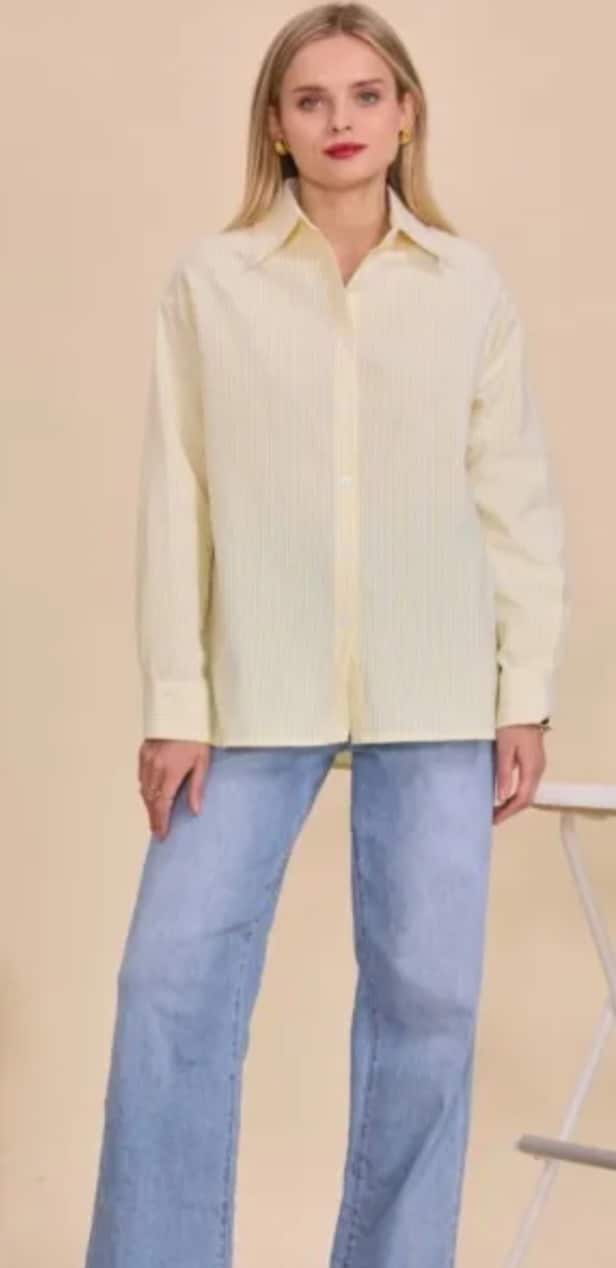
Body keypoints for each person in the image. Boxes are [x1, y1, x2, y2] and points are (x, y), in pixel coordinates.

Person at [83, 4, 570, 1267]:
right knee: (169, 980)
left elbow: (511, 494)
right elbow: (177, 493)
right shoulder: (213, 283)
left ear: (405, 114)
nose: (340, 120)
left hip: (438, 682)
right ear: (275, 125)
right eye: (311, 99)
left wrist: (522, 690)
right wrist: (175, 699)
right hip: (252, 685)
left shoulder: (466, 286)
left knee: (430, 1007)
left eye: (365, 95)